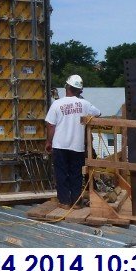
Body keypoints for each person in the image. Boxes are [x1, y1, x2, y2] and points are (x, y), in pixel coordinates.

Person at [45, 74, 100, 208]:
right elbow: (98, 113)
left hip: (60, 145)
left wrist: (48, 142)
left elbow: (51, 125)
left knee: (61, 173)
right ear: (80, 90)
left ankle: (64, 202)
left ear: (67, 87)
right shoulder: (85, 104)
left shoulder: (57, 104)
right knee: (76, 174)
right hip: (78, 146)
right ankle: (76, 202)